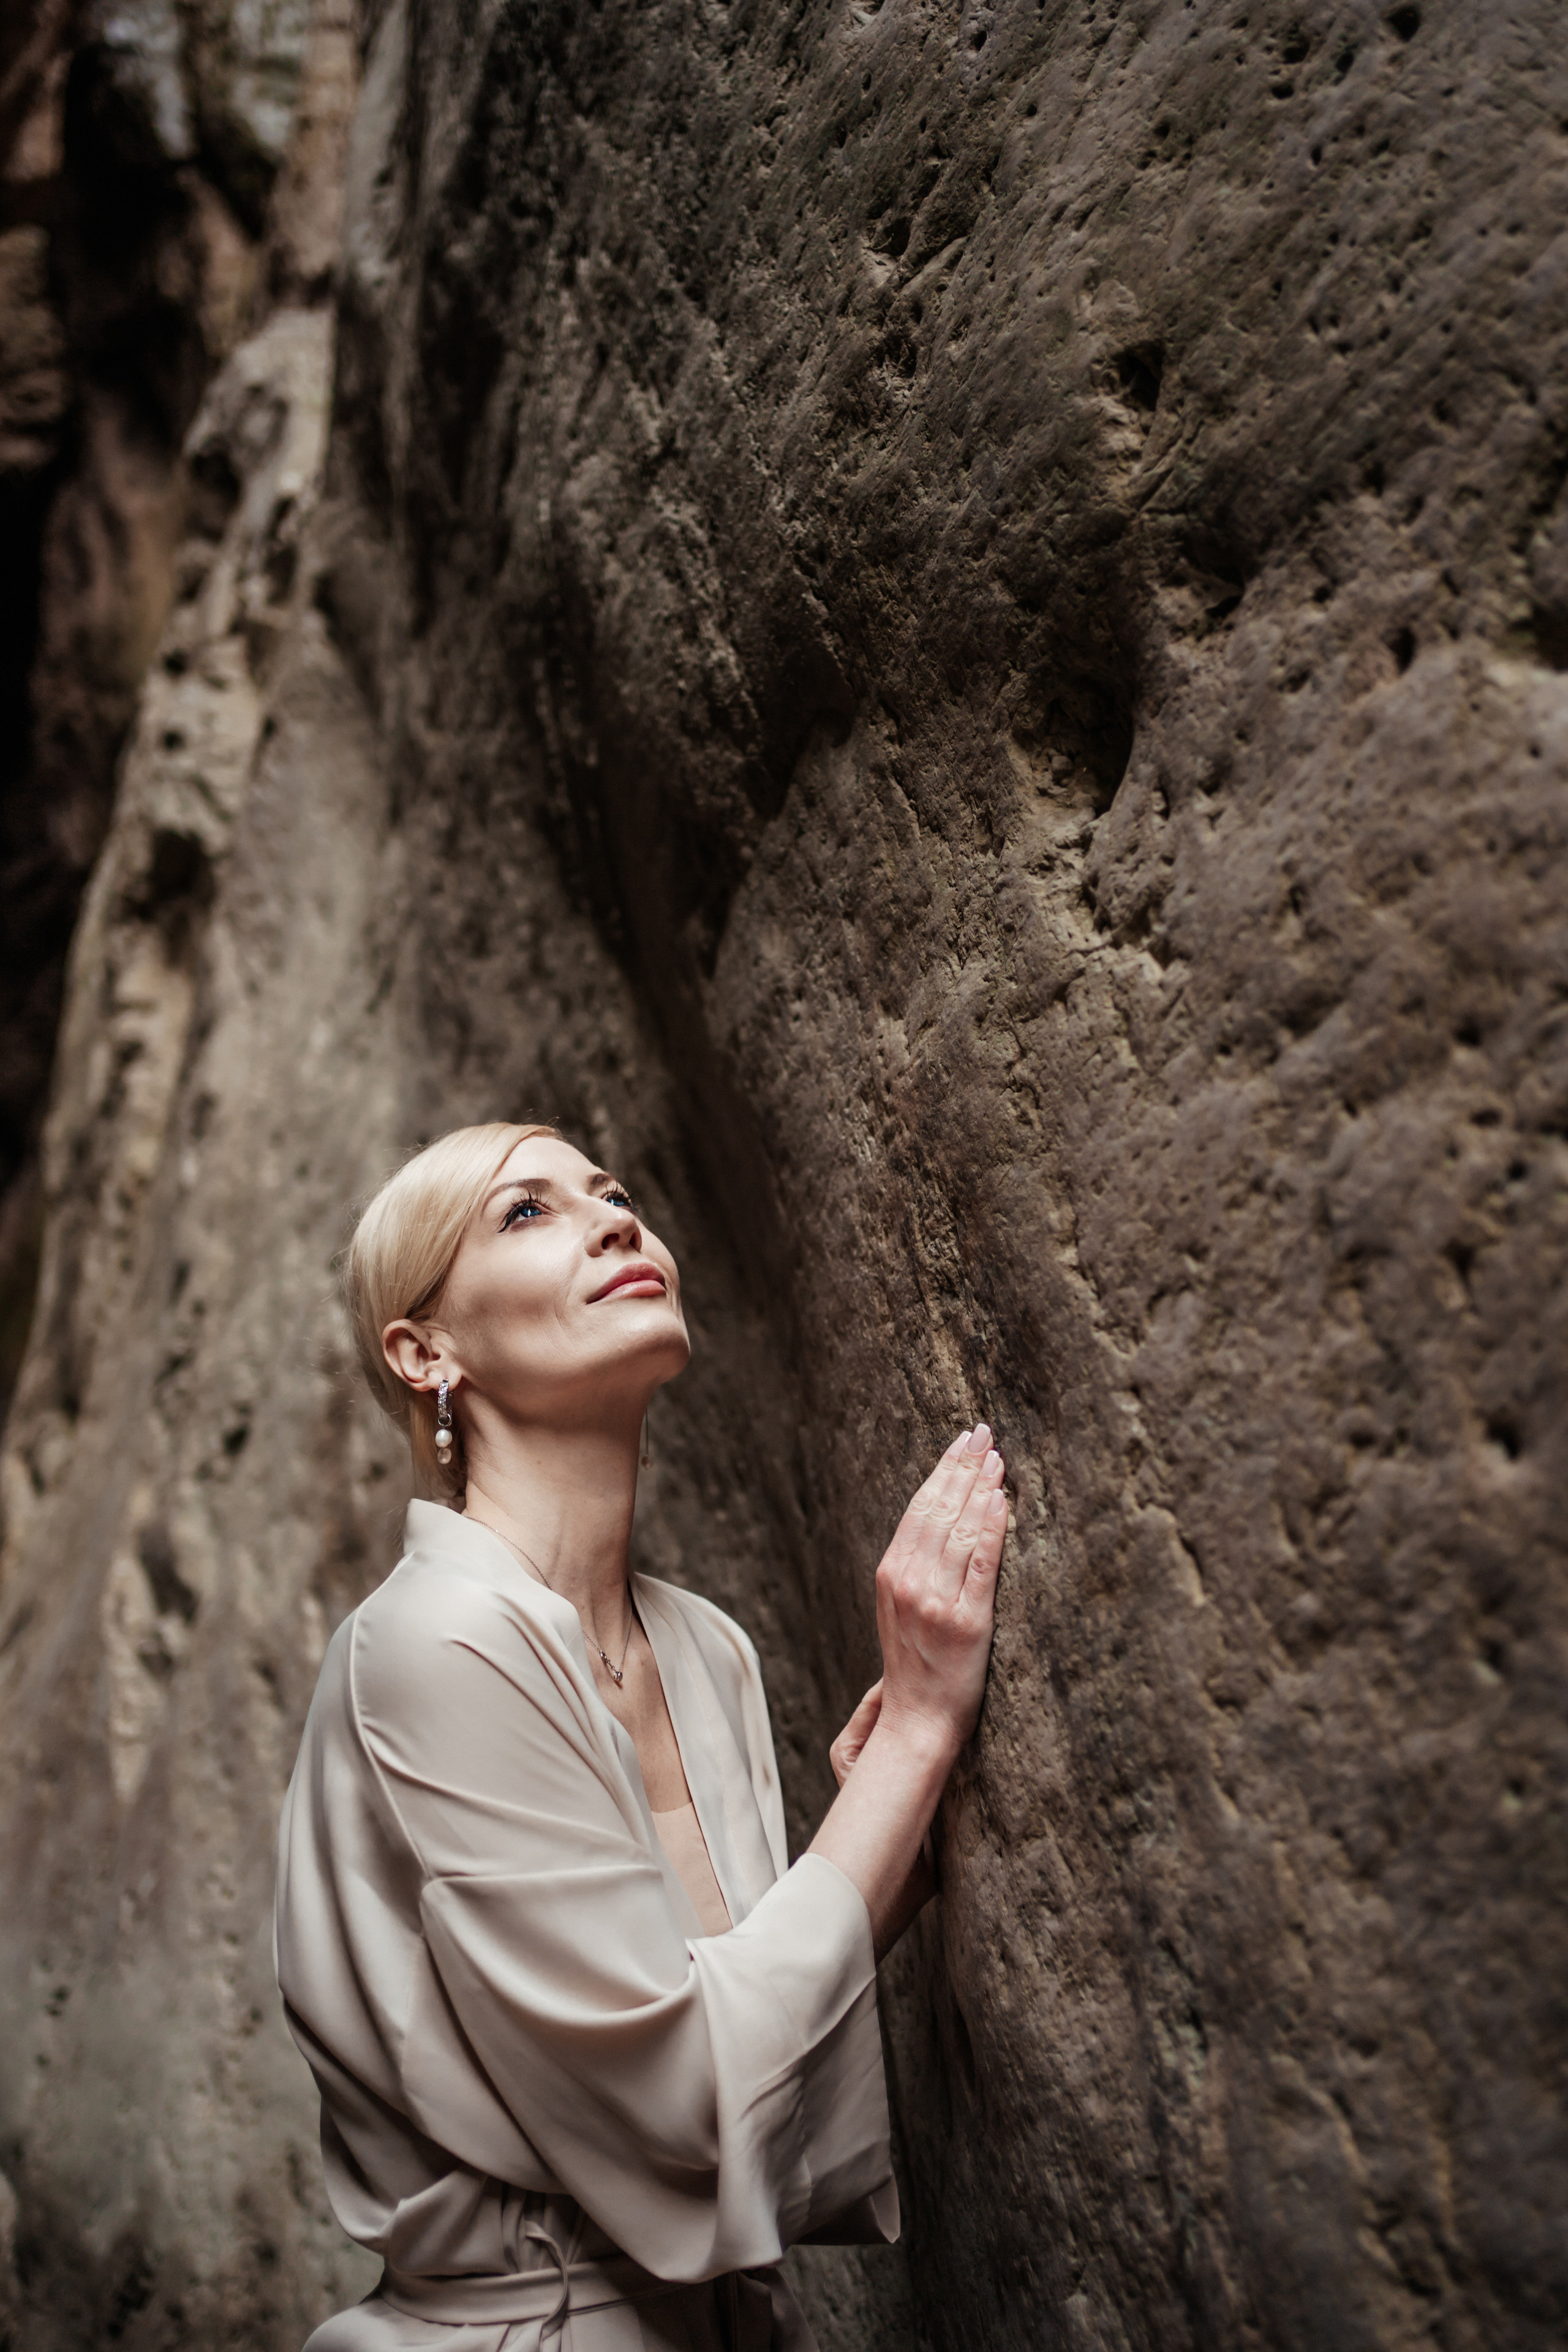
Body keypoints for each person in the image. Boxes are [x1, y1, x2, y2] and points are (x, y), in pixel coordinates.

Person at [275, 1121, 1006, 2351]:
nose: (614, 1217)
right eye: (527, 1212)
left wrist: (876, 1866)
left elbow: (698, 2033)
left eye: (612, 1190)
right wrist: (915, 1736)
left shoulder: (702, 1645)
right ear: (424, 1351)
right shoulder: (435, 1642)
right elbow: (675, 2108)